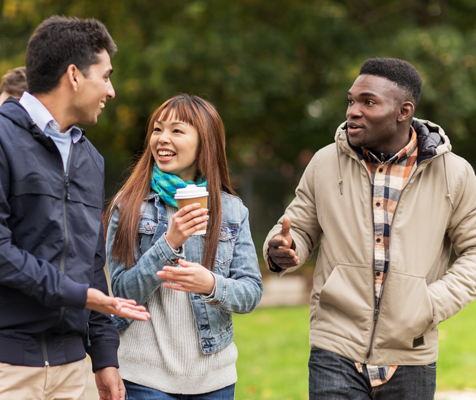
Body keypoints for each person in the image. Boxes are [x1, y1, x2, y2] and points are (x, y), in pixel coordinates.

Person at [0, 16, 150, 400]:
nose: (111, 91)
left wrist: (104, 356)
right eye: (105, 76)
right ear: (74, 75)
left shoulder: (90, 158)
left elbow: (91, 264)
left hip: (72, 370)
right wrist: (76, 294)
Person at [264, 58, 476, 399]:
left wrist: (430, 304)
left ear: (403, 111)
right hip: (335, 348)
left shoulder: (455, 174)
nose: (353, 111)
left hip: (412, 353)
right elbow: (298, 229)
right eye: (351, 101)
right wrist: (283, 249)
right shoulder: (324, 163)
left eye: (368, 102)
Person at [105, 94, 264, 399]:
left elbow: (251, 291)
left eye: (177, 131)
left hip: (213, 381)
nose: (162, 139)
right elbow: (123, 293)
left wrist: (211, 285)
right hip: (143, 377)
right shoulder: (128, 206)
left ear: (205, 141)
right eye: (157, 129)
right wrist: (169, 243)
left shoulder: (231, 210)